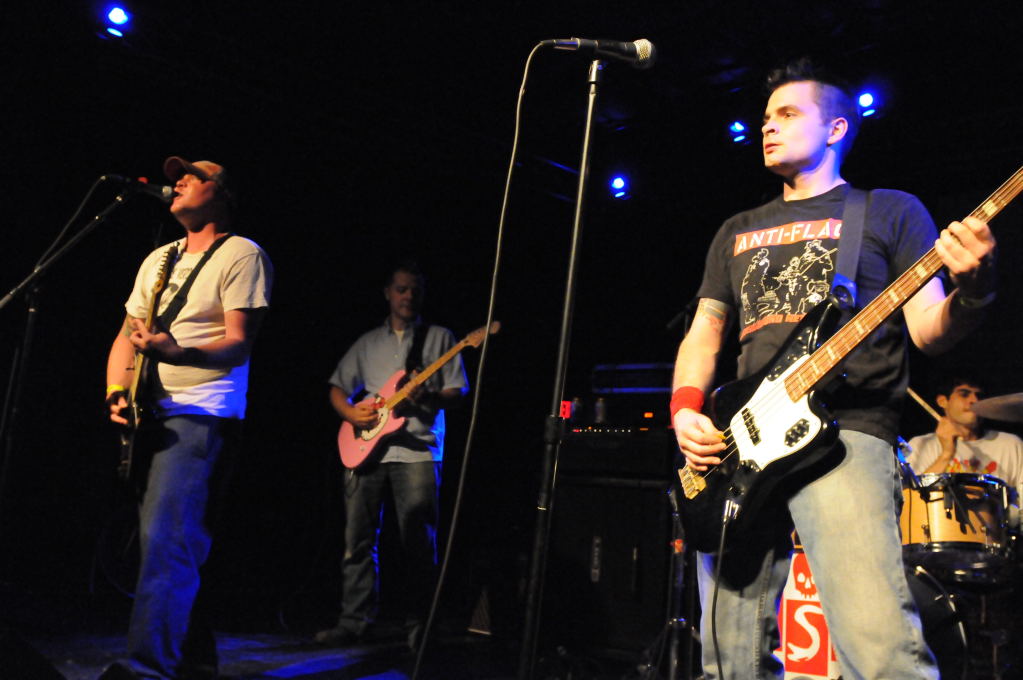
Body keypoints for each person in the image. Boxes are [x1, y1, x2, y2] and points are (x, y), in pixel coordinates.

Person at [670, 59, 996, 679]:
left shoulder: (890, 211)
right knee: (728, 658)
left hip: (846, 434)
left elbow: (928, 329)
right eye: (765, 118)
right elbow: (705, 332)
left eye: (788, 114)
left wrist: (975, 290)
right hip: (741, 444)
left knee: (878, 650)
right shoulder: (736, 230)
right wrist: (685, 409)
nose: (768, 126)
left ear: (837, 129)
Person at [102, 157, 273, 680]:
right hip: (149, 415)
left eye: (193, 176)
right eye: (177, 176)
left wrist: (179, 354)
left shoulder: (242, 253)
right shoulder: (159, 259)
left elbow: (239, 344)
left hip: (201, 413)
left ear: (222, 193)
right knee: (162, 543)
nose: (178, 181)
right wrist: (116, 389)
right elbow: (126, 335)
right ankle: (195, 659)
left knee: (166, 542)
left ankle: (146, 668)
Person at [315, 261, 468, 652]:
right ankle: (354, 622)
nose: (408, 296)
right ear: (387, 293)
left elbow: (458, 391)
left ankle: (421, 627)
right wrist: (352, 414)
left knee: (418, 544)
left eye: (415, 290)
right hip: (366, 450)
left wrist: (429, 396)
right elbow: (337, 387)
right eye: (401, 289)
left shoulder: (441, 338)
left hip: (418, 453)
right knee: (357, 542)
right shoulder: (368, 342)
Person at [907, 375, 1023, 497]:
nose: (974, 400)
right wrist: (946, 454)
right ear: (942, 401)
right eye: (964, 394)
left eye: (979, 396)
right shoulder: (921, 445)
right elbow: (911, 499)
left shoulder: (1011, 444)